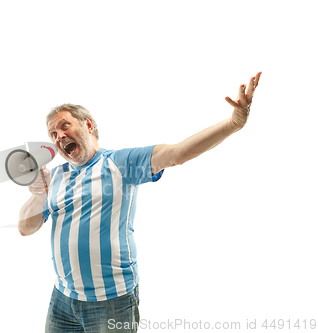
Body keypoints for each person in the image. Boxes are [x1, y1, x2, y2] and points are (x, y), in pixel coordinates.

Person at [18, 72, 262, 333]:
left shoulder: (120, 162)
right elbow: (25, 228)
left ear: (88, 125)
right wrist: (38, 194)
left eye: (64, 126)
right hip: (62, 300)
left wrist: (232, 124)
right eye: (53, 133)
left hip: (111, 302)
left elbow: (176, 153)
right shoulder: (54, 177)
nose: (58, 136)